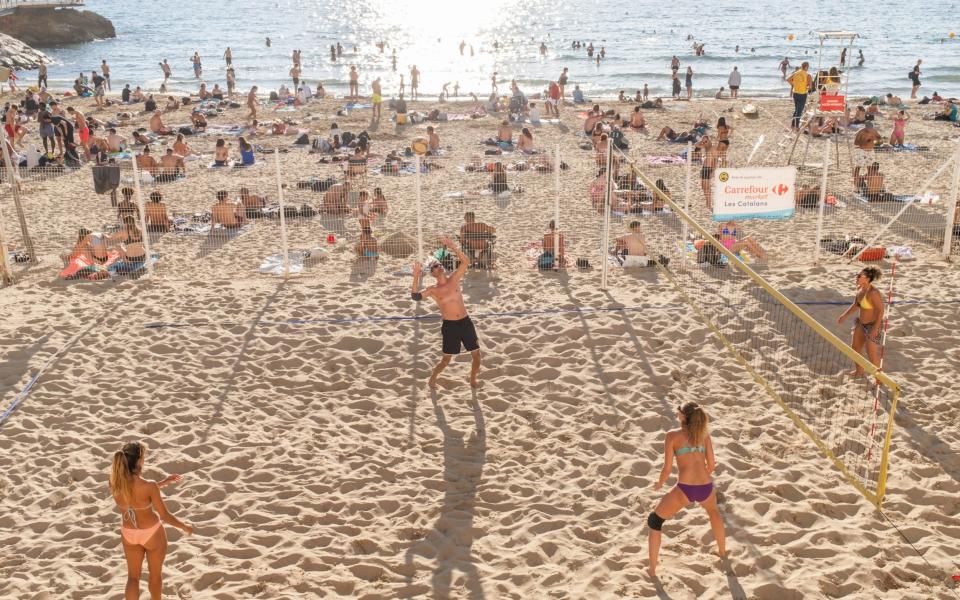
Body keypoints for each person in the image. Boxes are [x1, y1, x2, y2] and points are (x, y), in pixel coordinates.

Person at [647, 402, 726, 577]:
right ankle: (722, 552)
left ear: (683, 416)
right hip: (706, 486)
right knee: (713, 512)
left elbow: (667, 469)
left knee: (654, 521)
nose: (677, 412)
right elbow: (711, 464)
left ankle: (652, 569)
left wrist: (660, 484)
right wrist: (702, 478)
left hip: (684, 489)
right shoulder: (704, 435)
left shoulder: (672, 436)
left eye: (678, 410)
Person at [109, 441, 193, 600]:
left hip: (129, 534)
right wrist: (185, 527)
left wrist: (162, 483)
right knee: (155, 576)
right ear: (139, 460)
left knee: (133, 578)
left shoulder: (115, 482)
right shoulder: (149, 486)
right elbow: (165, 516)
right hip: (151, 533)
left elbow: (133, 493)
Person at [410, 236, 481, 388]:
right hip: (450, 326)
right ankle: (432, 379)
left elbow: (466, 262)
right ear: (432, 273)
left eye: (439, 264)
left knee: (476, 354)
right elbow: (415, 296)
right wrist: (416, 277)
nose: (438, 266)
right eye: (435, 266)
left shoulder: (454, 278)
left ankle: (473, 380)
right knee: (446, 360)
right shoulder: (433, 290)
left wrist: (453, 247)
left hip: (465, 321)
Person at [837, 267, 885, 377]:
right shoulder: (860, 289)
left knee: (871, 353)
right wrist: (844, 315)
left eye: (859, 276)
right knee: (855, 348)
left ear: (867, 279)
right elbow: (856, 305)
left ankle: (879, 378)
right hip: (860, 323)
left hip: (872, 325)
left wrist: (875, 328)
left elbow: (881, 310)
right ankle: (859, 371)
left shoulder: (873, 293)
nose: (857, 277)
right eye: (857, 275)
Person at [852, 122, 881, 187]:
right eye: (868, 129)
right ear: (865, 127)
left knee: (870, 168)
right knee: (858, 168)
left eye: (871, 128)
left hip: (870, 151)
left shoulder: (874, 131)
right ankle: (855, 184)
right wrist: (865, 141)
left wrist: (874, 141)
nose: (870, 130)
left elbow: (879, 138)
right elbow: (855, 143)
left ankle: (870, 185)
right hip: (862, 151)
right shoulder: (861, 132)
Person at [787, 62, 811, 130]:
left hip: (795, 93)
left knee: (797, 109)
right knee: (799, 110)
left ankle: (792, 124)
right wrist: (807, 87)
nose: (808, 68)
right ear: (806, 66)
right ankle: (797, 126)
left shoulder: (796, 72)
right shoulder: (807, 74)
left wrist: (794, 84)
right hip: (802, 94)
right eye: (808, 67)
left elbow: (788, 79)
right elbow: (810, 86)